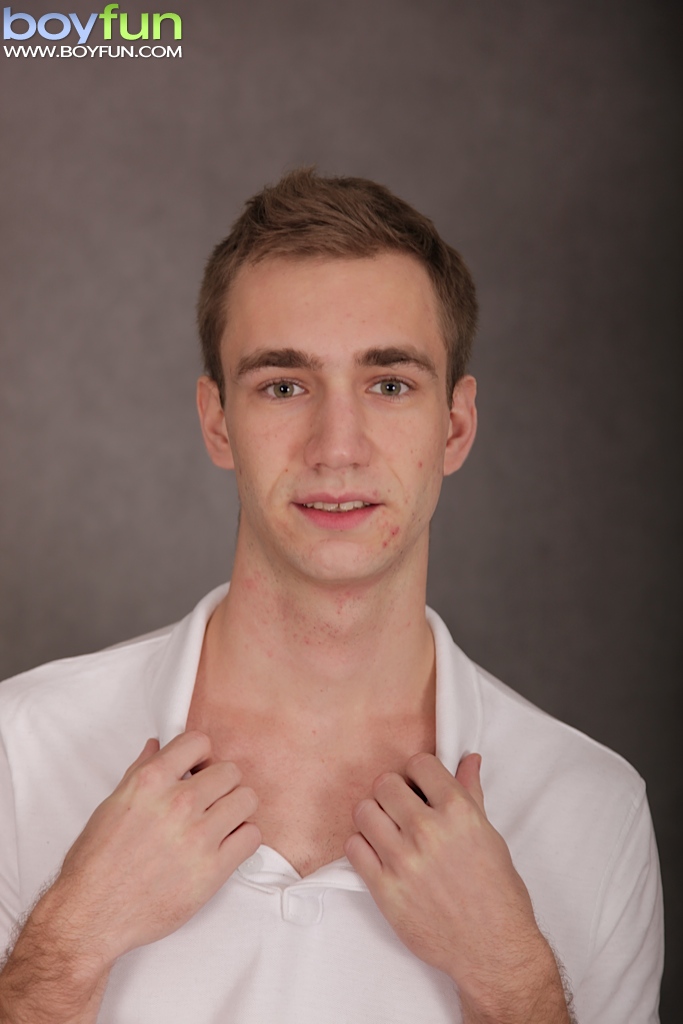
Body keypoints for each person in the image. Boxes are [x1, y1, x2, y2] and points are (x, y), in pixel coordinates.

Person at [0, 169, 663, 1024]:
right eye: (284, 385)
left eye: (389, 384)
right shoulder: (18, 752)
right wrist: (70, 945)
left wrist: (510, 980)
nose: (337, 447)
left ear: (455, 426)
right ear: (217, 421)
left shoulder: (591, 807)